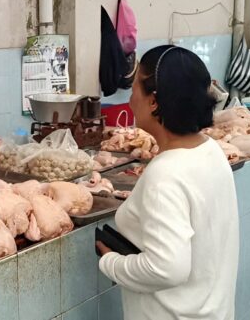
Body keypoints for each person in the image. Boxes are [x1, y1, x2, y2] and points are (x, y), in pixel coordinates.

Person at [96, 45, 239, 319]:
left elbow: (167, 268)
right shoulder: (210, 151)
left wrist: (111, 262)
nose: (130, 96)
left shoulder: (165, 174)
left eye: (136, 84)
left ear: (154, 101)